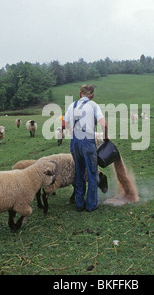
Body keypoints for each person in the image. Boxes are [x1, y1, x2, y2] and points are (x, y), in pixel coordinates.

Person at [64, 84, 108, 212]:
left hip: (75, 142)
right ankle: (91, 205)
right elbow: (103, 123)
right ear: (92, 96)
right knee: (92, 173)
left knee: (79, 172)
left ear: (80, 94)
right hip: (87, 142)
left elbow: (64, 123)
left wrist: (71, 133)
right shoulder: (93, 105)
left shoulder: (72, 105)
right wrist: (106, 136)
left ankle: (79, 204)